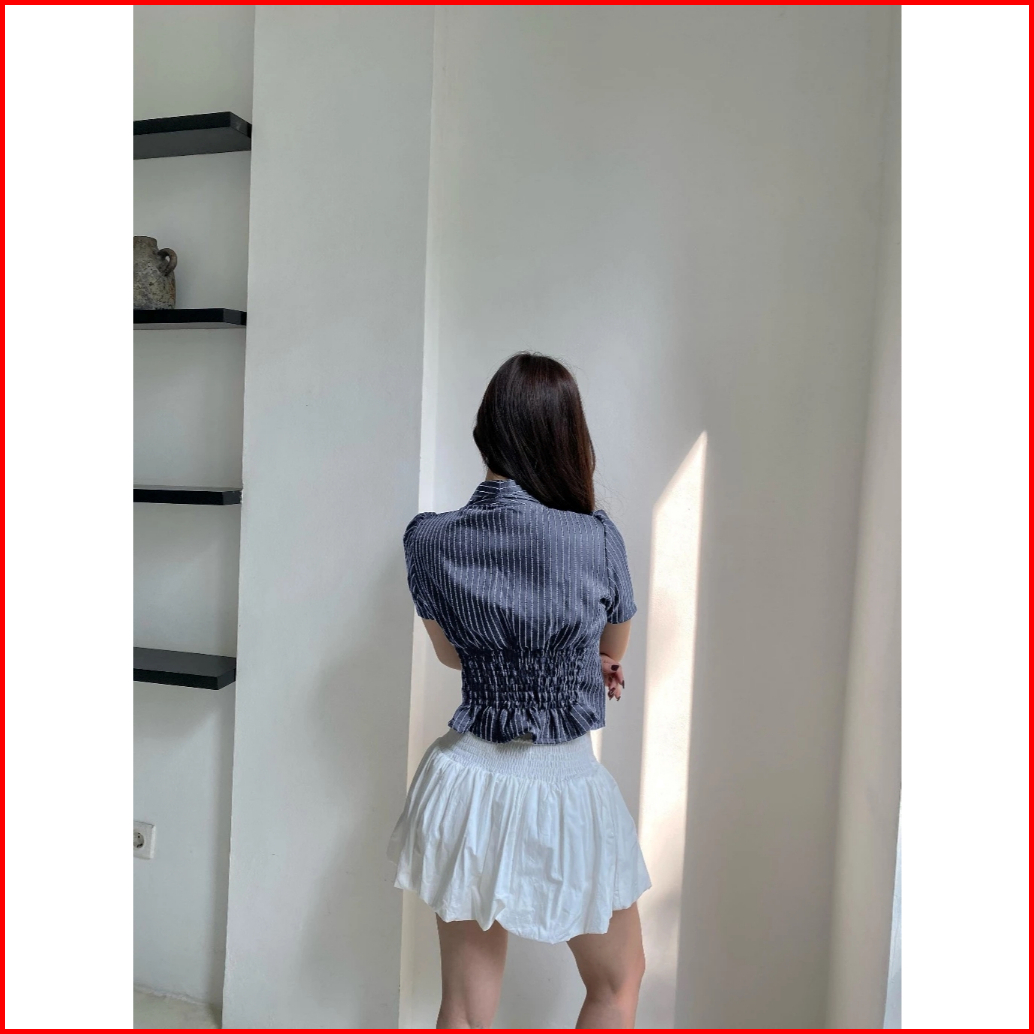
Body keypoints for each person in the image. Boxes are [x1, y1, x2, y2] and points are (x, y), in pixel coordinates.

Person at [388, 352, 650, 1029]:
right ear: (567, 439)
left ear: (485, 432)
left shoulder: (429, 539)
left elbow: (452, 655)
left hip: (465, 781)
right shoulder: (596, 540)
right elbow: (613, 648)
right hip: (562, 785)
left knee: (465, 1009)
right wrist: (584, 661)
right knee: (617, 982)